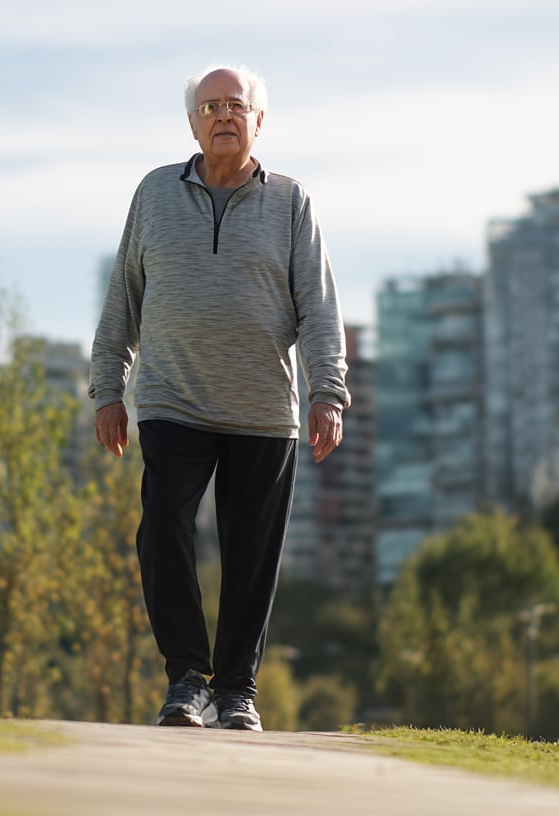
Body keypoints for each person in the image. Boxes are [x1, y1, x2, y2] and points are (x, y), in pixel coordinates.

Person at [89, 64, 350, 731]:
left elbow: (319, 306)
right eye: (209, 107)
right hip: (172, 400)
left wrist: (329, 392)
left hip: (262, 410)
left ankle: (237, 691)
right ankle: (187, 678)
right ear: (192, 123)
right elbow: (124, 294)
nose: (223, 116)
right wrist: (106, 390)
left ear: (259, 120)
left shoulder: (291, 203)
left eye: (236, 105)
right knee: (163, 528)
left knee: (250, 554)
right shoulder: (154, 193)